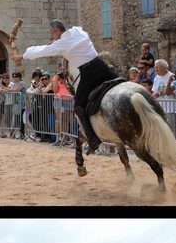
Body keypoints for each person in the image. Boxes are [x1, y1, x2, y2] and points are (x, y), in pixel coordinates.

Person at [14, 19, 120, 155]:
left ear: (58, 31)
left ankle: (93, 139)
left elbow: (42, 50)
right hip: (103, 67)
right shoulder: (77, 31)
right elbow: (78, 36)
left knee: (78, 107)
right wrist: (56, 42)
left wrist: (22, 56)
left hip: (88, 73)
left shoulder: (62, 44)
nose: (51, 36)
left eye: (52, 33)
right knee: (121, 83)